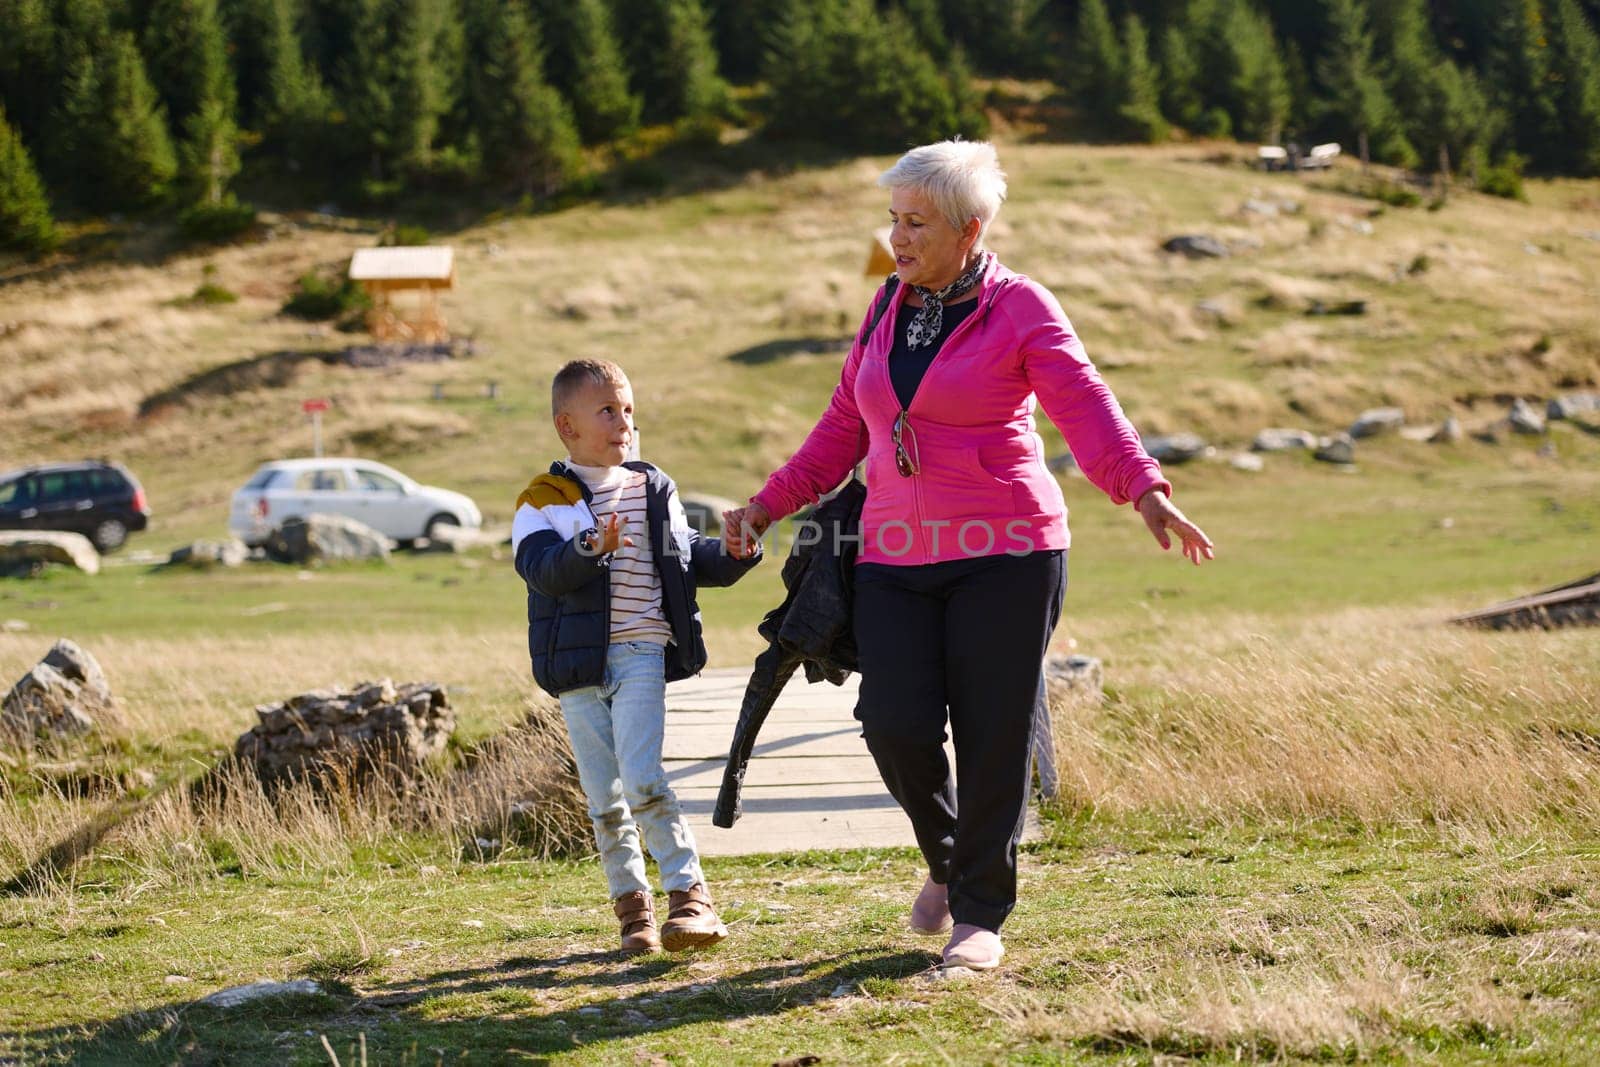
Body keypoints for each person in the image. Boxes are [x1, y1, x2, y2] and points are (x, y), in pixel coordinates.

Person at [723, 140, 1213, 971]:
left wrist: (1143, 488)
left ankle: (980, 912)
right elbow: (845, 423)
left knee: (993, 732)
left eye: (916, 223)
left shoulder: (1021, 308)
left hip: (1008, 552)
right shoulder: (887, 307)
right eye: (893, 220)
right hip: (893, 555)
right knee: (894, 723)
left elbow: (1085, 404)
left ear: (970, 229)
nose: (898, 238)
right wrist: (768, 503)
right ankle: (950, 863)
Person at [513, 358, 762, 953]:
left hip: (641, 651)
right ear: (566, 427)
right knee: (604, 798)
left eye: (628, 409)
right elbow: (543, 571)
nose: (623, 421)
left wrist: (732, 554)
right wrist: (590, 546)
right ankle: (633, 913)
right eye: (607, 410)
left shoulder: (653, 487)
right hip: (576, 671)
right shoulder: (541, 501)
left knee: (645, 778)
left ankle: (689, 896)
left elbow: (687, 560)